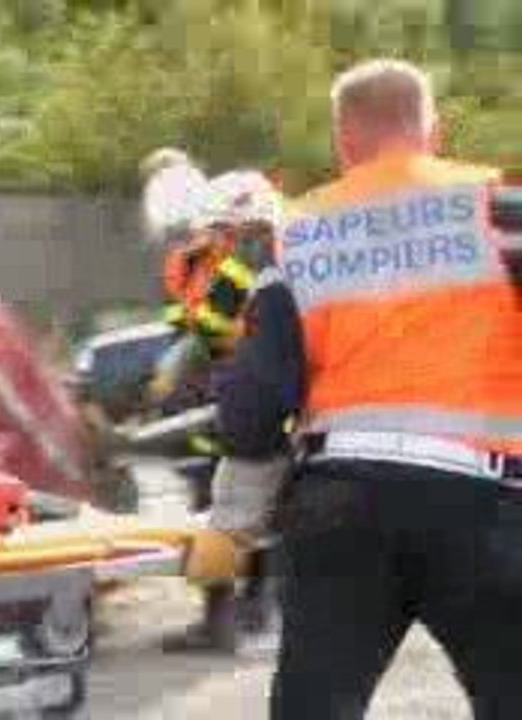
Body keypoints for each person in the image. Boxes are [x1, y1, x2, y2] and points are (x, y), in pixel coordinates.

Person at [214, 58, 522, 718]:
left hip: (340, 506)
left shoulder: (297, 236)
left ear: (342, 143)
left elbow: (252, 401)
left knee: (313, 705)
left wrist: (235, 521)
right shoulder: (501, 212)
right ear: (433, 133)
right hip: (481, 506)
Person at [152, 170, 293, 654]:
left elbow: (211, 331)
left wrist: (189, 351)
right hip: (225, 406)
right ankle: (233, 614)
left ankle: (241, 616)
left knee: (238, 516)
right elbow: (188, 329)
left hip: (243, 406)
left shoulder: (246, 265)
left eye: (221, 228)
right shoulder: (208, 265)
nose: (212, 236)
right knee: (232, 515)